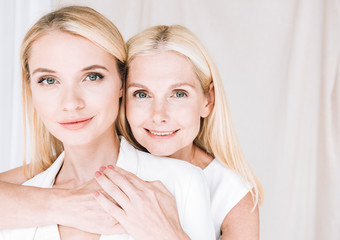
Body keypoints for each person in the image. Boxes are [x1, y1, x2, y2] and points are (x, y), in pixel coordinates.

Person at [0, 6, 215, 240]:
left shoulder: (181, 182)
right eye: (49, 80)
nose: (71, 103)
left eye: (92, 77)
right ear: (30, 88)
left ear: (121, 83)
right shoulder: (20, 204)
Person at [94, 25, 264, 239]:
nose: (159, 114)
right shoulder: (101, 166)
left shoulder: (233, 195)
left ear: (208, 100)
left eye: (179, 94)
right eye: (141, 94)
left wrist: (166, 233)